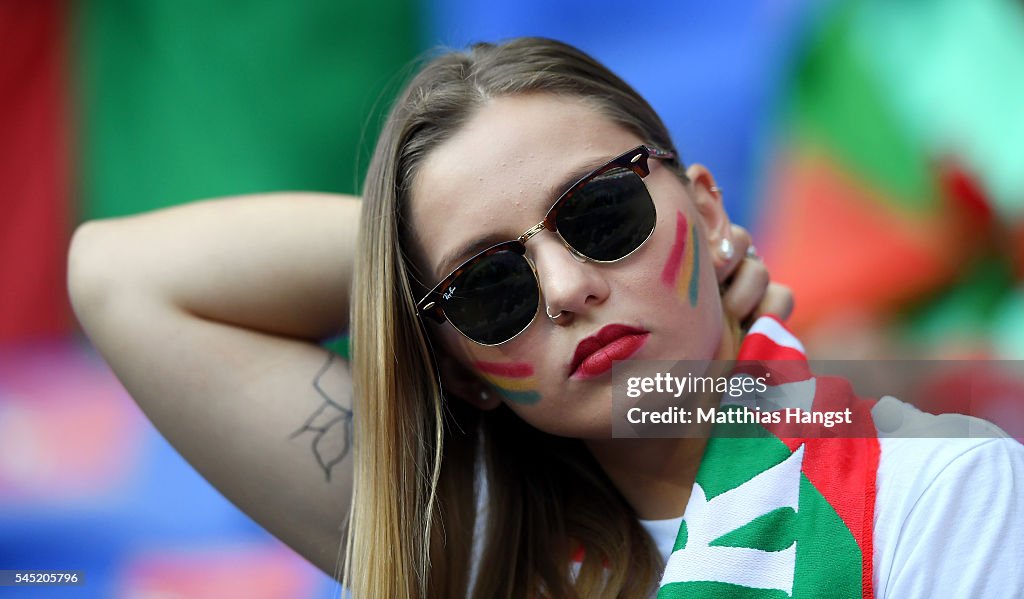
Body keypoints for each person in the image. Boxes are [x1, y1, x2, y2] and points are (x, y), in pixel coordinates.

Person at [68, 37, 1022, 598]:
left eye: (601, 214)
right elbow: (117, 275)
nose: (565, 287)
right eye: (492, 289)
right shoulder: (476, 538)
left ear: (708, 207)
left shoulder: (946, 488)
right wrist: (400, 264)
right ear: (460, 367)